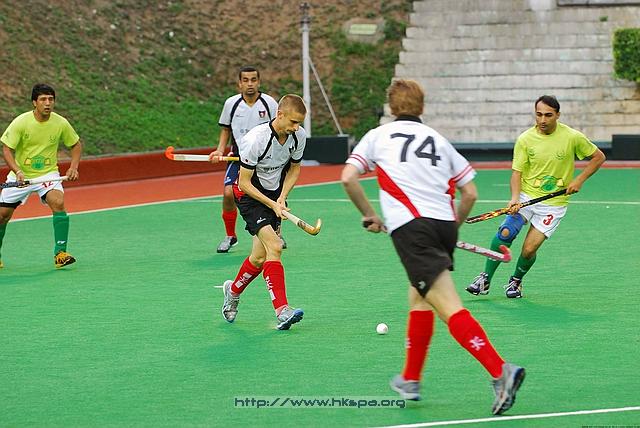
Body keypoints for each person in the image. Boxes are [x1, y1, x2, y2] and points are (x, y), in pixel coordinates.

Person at [341, 79, 525, 415]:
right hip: (442, 224)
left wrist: (369, 215)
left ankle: (501, 371)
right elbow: (470, 193)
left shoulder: (378, 136)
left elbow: (348, 177)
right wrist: (453, 228)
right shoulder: (439, 140)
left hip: (413, 230)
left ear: (391, 107)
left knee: (448, 306)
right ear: (422, 107)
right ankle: (410, 379)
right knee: (419, 296)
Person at [466, 95, 606, 299]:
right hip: (526, 196)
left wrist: (579, 180)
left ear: (558, 115)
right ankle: (485, 279)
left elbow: (598, 157)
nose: (542, 120)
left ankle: (516, 280)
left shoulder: (572, 137)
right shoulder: (525, 139)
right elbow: (517, 173)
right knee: (505, 233)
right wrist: (515, 198)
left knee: (529, 250)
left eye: (548, 115)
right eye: (539, 114)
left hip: (554, 204)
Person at [220, 94, 307, 330]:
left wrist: (281, 197)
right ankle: (282, 310)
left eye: (299, 123)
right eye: (293, 122)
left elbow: (294, 170)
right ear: (280, 114)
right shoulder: (255, 140)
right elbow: (244, 182)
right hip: (248, 195)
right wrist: (272, 204)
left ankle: (233, 291)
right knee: (275, 246)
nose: (296, 127)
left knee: (259, 257)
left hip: (273, 193)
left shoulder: (298, 137)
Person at [0, 83, 82, 269]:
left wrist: (73, 167)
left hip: (47, 175)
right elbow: (7, 149)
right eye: (43, 99)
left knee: (58, 202)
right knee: (2, 216)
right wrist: (17, 171)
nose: (48, 103)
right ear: (34, 103)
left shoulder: (61, 123)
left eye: (51, 99)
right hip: (20, 176)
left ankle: (60, 254)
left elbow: (75, 145)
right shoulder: (21, 122)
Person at [209, 66, 280, 253]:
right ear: (239, 83)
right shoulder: (231, 104)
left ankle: (274, 232)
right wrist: (219, 150)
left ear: (259, 82)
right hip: (238, 157)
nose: (250, 84)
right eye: (246, 80)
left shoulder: (270, 104)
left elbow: (278, 129)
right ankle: (230, 236)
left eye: (253, 80)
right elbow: (225, 130)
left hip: (265, 160)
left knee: (270, 194)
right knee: (228, 193)